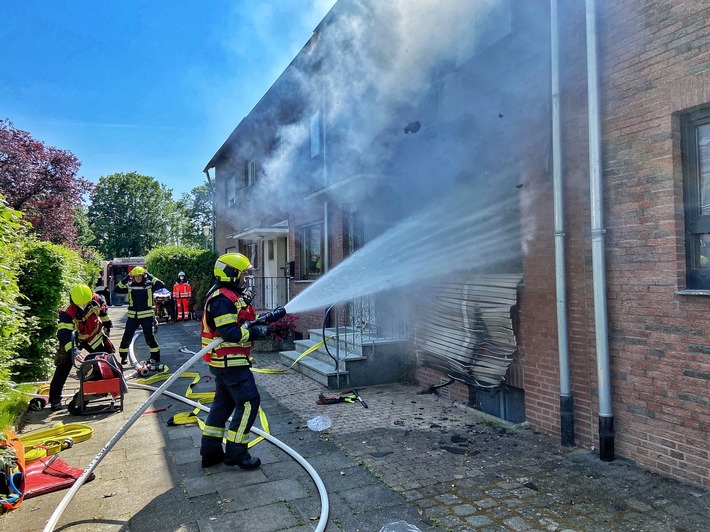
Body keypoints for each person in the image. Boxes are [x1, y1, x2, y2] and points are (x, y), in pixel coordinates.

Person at [200, 253, 286, 469]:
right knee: (249, 403)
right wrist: (259, 332)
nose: (246, 278)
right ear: (231, 273)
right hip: (231, 362)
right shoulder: (222, 299)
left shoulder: (226, 295)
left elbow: (239, 322)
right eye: (243, 273)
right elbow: (229, 332)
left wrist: (265, 320)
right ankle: (236, 453)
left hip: (227, 361)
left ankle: (210, 452)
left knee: (222, 405)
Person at [49, 284, 115, 411]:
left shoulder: (97, 299)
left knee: (104, 363)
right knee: (63, 367)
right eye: (81, 305)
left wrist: (107, 325)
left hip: (94, 337)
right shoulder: (66, 312)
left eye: (86, 303)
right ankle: (55, 399)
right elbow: (64, 334)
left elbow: (103, 312)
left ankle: (98, 391)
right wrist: (74, 350)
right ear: (73, 300)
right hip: (75, 340)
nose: (84, 307)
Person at [115, 266, 165, 365]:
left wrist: (149, 275)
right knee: (127, 337)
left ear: (143, 276)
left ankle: (155, 357)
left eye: (140, 276)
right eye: (136, 276)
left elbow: (161, 284)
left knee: (149, 337)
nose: (138, 278)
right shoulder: (130, 285)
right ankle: (124, 357)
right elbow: (117, 289)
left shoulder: (149, 285)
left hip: (146, 316)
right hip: (133, 316)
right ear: (133, 277)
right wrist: (126, 278)